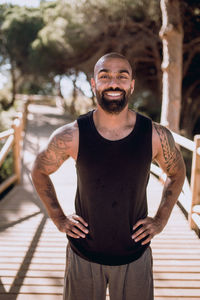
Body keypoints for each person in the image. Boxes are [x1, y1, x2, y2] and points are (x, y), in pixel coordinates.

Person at [31, 52, 186, 300]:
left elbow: (177, 173)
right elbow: (39, 170)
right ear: (93, 84)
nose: (113, 83)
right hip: (83, 256)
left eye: (122, 76)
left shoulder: (155, 135)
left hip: (135, 257)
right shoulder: (73, 135)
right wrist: (59, 218)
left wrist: (160, 220)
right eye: (105, 76)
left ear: (132, 84)